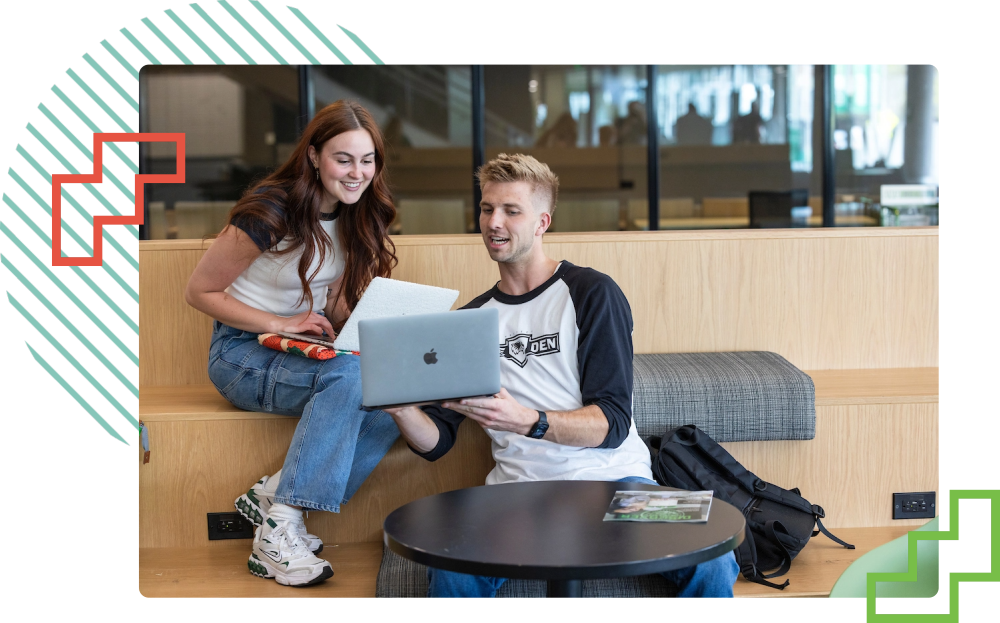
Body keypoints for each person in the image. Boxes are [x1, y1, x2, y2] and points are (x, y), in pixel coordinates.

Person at [384, 153, 740, 598]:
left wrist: (527, 420)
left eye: (511, 210)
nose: (494, 222)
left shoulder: (593, 292)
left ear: (542, 222)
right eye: (487, 208)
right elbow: (436, 442)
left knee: (714, 558)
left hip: (622, 486)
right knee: (450, 572)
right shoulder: (471, 320)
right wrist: (401, 409)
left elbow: (612, 424)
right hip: (516, 494)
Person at [184, 100, 401, 587]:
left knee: (397, 394)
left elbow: (336, 304)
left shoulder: (355, 212)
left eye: (367, 161)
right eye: (344, 159)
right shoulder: (270, 209)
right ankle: (279, 530)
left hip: (298, 348)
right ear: (314, 156)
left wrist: (379, 331)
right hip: (240, 353)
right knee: (354, 379)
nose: (357, 172)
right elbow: (199, 292)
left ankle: (276, 497)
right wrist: (280, 322)